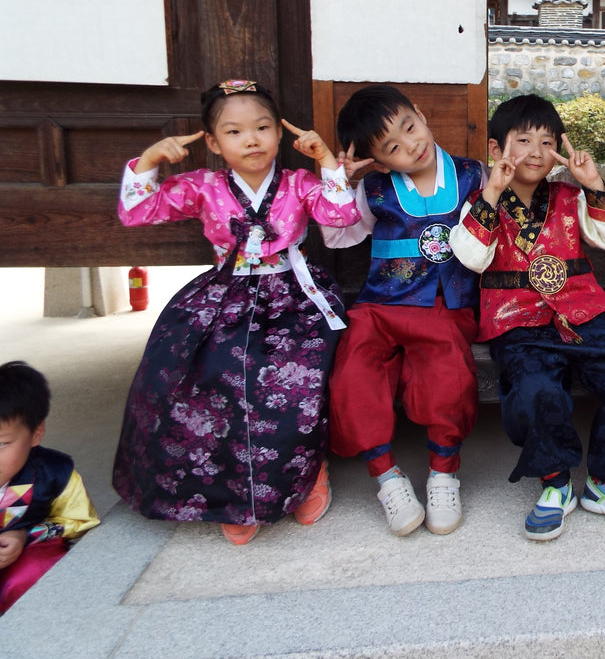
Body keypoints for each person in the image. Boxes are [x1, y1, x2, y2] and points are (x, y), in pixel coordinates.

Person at [113, 80, 360, 545]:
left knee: (295, 375)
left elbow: (341, 216)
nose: (251, 139)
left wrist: (326, 161)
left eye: (263, 127)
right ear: (212, 142)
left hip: (294, 294)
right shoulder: (202, 186)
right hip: (225, 295)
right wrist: (149, 161)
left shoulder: (297, 183)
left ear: (279, 134)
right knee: (202, 371)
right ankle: (232, 494)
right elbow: (138, 212)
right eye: (234, 131)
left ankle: (308, 473)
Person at [451, 94, 605, 541]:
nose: (534, 151)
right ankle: (555, 481)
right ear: (496, 150)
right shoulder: (481, 200)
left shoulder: (571, 195)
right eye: (523, 139)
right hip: (517, 320)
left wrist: (593, 183)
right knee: (534, 388)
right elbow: (471, 257)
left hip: (583, 310)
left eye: (546, 142)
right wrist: (492, 192)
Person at [321, 85, 486, 537]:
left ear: (420, 112)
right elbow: (339, 237)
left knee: (448, 372)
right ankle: (387, 477)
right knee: (353, 367)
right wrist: (340, 182)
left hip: (444, 304)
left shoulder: (475, 175)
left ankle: (443, 473)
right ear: (379, 161)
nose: (410, 145)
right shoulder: (373, 188)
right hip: (378, 305)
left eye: (409, 127)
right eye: (392, 147)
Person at [0, 361, 99, 615]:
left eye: (1, 444)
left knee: (35, 572)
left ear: (36, 433)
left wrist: (25, 535)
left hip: (18, 568)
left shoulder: (54, 473)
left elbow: (81, 520)